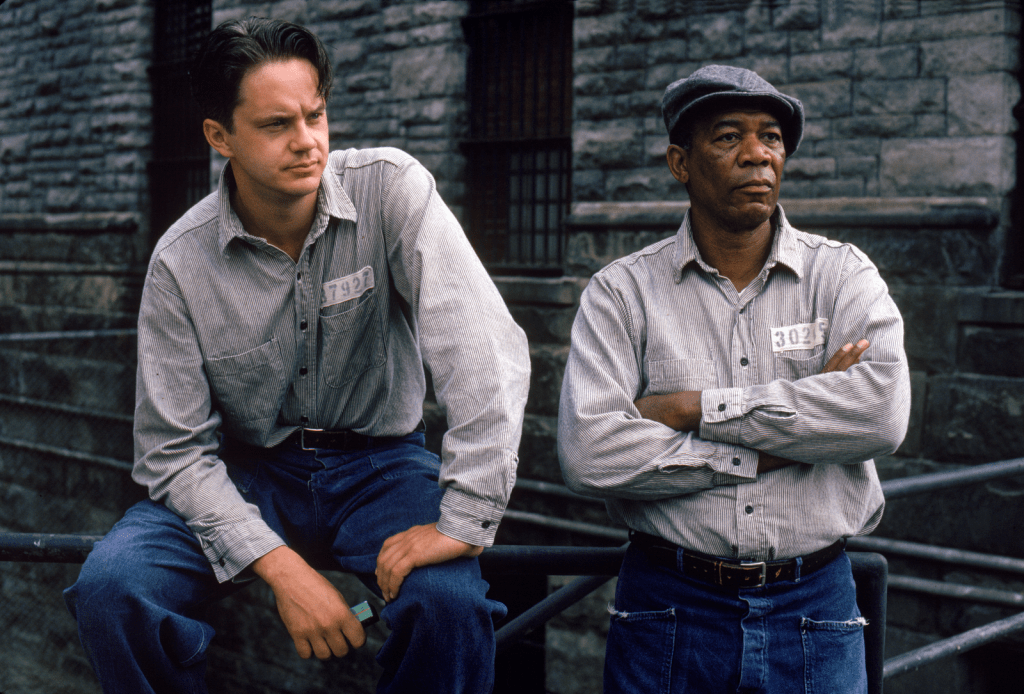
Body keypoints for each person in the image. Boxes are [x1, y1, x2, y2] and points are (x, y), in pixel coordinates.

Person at [64, 17, 530, 694]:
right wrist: (282, 568)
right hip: (248, 473)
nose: (307, 141)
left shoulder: (390, 190)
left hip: (383, 467)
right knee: (113, 589)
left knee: (450, 607)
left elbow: (483, 350)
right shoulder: (179, 263)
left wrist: (465, 518)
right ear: (219, 136)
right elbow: (172, 451)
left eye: (316, 115)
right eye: (276, 124)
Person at [557, 64, 910, 693]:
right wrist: (794, 437)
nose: (757, 154)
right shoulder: (622, 293)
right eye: (728, 137)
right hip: (668, 607)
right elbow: (590, 454)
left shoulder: (842, 276)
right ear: (680, 163)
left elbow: (880, 416)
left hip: (816, 607)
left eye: (771, 137)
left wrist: (691, 409)